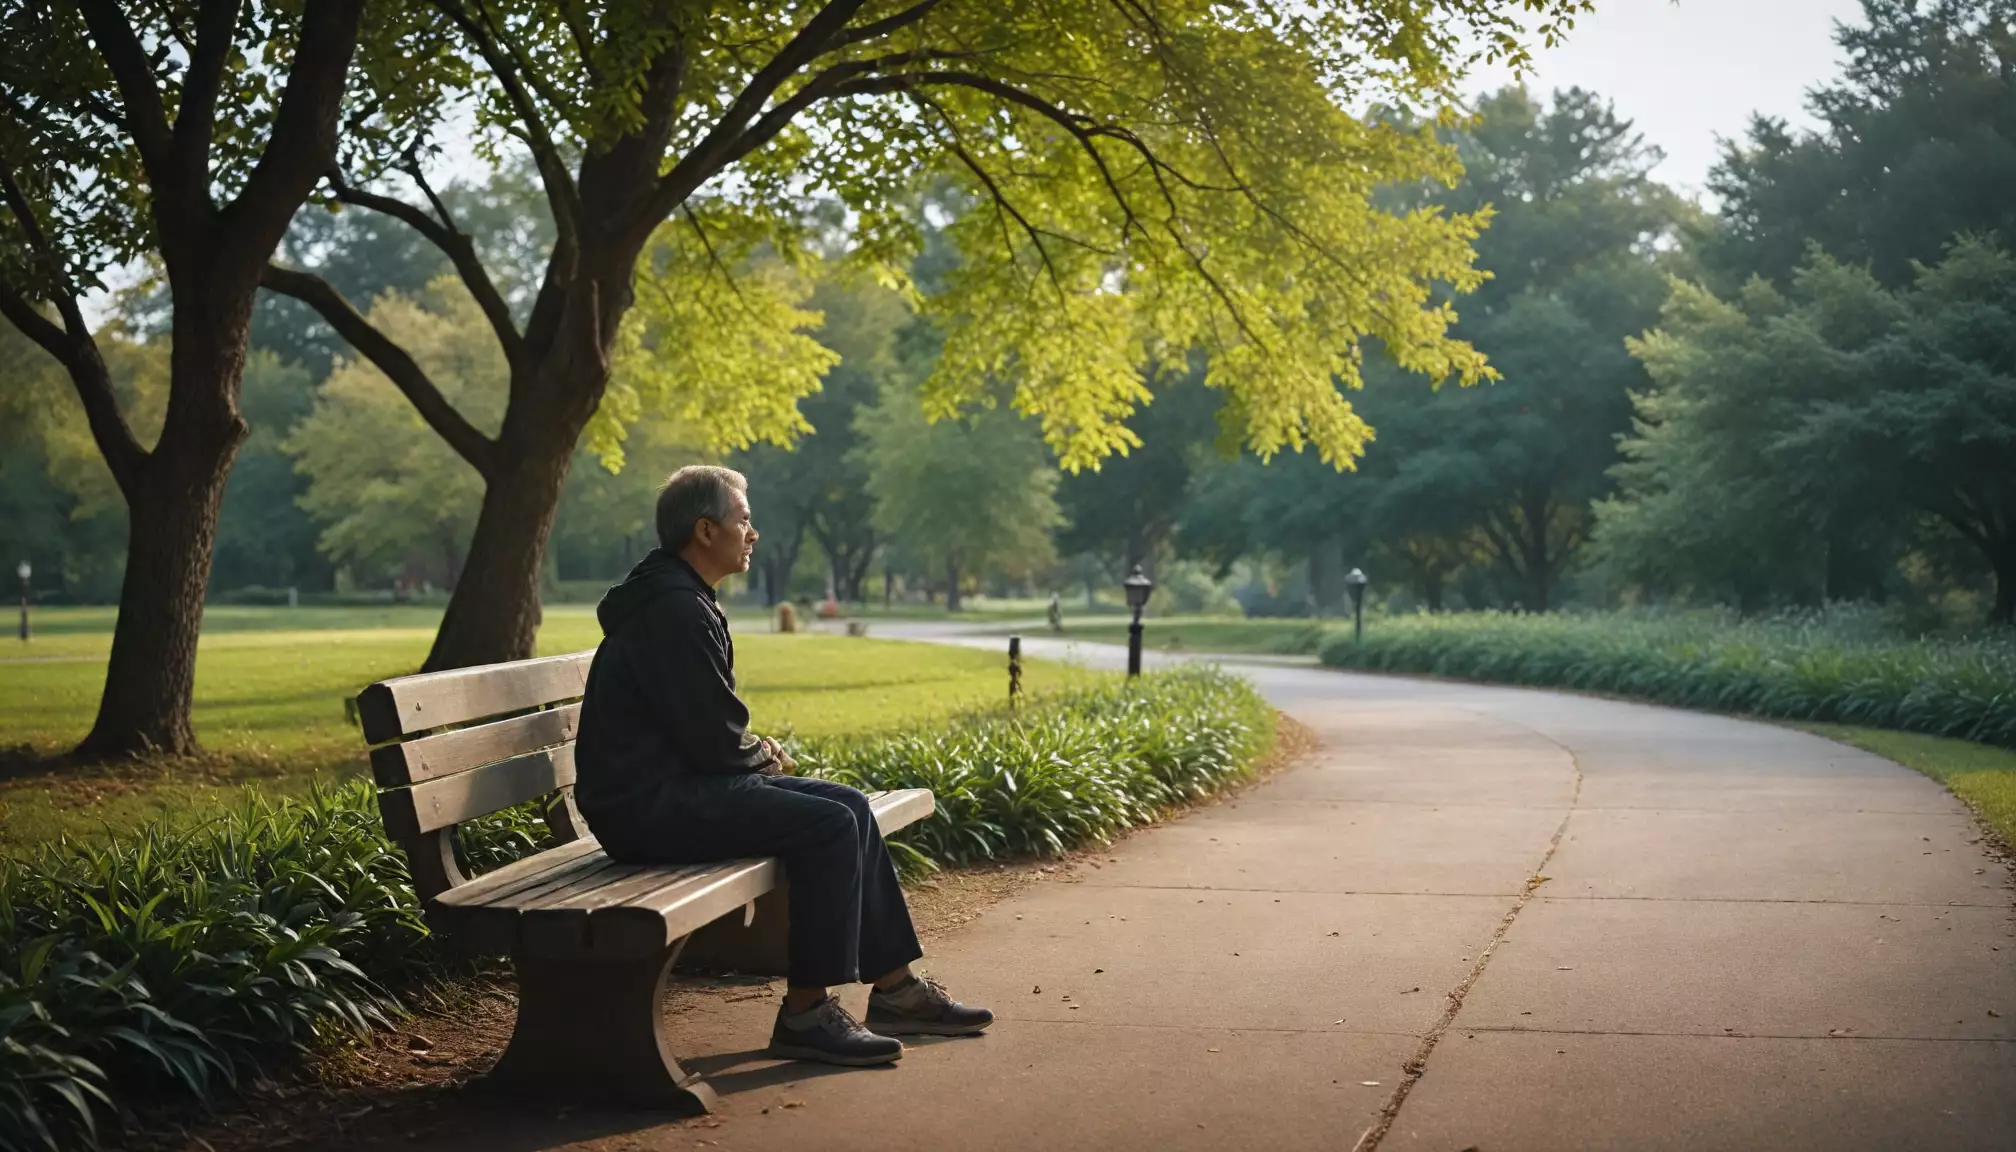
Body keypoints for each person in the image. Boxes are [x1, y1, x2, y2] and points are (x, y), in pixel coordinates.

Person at [573, 465, 992, 1067]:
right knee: (827, 826)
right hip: (647, 809)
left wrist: (752, 754)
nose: (753, 532)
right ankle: (805, 1013)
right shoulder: (674, 609)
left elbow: (705, 730)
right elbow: (714, 744)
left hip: (670, 790)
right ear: (705, 529)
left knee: (848, 805)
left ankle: (896, 989)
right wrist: (763, 755)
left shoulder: (679, 595)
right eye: (743, 519)